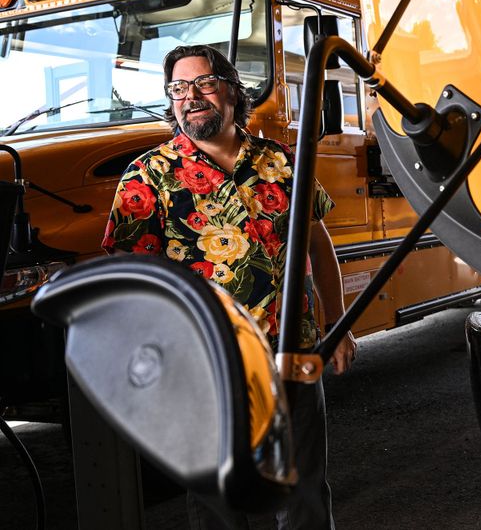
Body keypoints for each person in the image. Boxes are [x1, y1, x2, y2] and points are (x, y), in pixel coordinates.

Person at [102, 44, 356, 529]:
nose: (191, 96)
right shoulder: (148, 175)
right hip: (207, 363)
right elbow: (130, 275)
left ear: (232, 92)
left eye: (204, 84)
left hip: (293, 350)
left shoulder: (281, 160)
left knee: (303, 492)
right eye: (178, 88)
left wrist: (336, 324)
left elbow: (317, 245)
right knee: (221, 503)